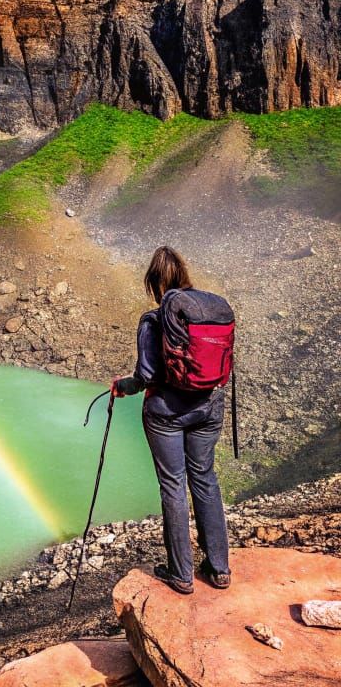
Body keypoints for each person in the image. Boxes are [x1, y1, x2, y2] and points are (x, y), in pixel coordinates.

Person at [112, 246, 232, 594]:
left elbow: (146, 375)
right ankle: (219, 569)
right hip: (209, 406)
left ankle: (181, 574)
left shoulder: (154, 320)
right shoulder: (212, 311)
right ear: (183, 274)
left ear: (154, 282)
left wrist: (123, 387)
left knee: (173, 486)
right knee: (205, 479)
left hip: (167, 414)